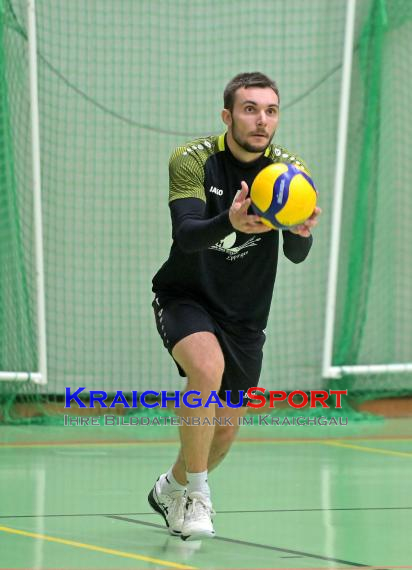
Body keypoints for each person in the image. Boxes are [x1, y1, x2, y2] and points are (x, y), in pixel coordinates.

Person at [148, 71, 321, 541]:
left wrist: (300, 231)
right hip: (186, 295)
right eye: (250, 109)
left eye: (270, 110)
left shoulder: (289, 172)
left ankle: (170, 487)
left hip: (245, 314)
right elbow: (185, 236)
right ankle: (197, 496)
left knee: (222, 435)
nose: (261, 120)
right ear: (227, 115)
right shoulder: (192, 159)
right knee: (207, 368)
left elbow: (296, 253)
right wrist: (232, 219)